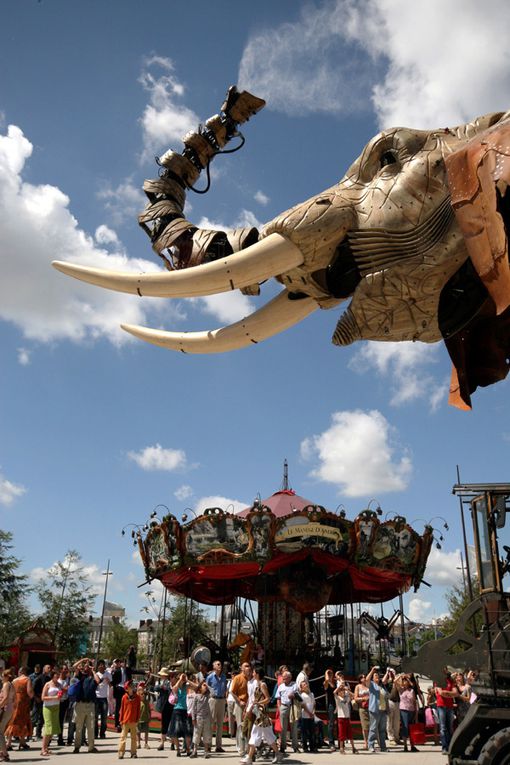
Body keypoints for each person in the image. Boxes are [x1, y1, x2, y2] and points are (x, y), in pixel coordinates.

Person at [242, 668, 281, 765]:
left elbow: (268, 699)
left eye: (254, 672)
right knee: (266, 736)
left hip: (262, 715)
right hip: (259, 715)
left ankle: (250, 758)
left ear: (258, 674)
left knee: (257, 734)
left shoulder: (262, 685)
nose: (253, 673)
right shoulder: (258, 684)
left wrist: (258, 702)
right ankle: (276, 754)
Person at [72, 658, 100, 754]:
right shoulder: (80, 676)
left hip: (90, 705)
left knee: (91, 727)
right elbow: (74, 666)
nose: (86, 666)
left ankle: (91, 747)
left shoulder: (93, 677)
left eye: (88, 665)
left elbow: (98, 680)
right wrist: (83, 660)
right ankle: (77, 747)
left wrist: (93, 671)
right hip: (80, 704)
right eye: (85, 665)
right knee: (79, 727)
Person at [5, 667, 33, 751]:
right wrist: (32, 696)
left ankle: (11, 742)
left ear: (20, 672)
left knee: (13, 721)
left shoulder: (14, 680)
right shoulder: (27, 679)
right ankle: (19, 742)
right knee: (23, 721)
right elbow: (29, 692)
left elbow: (11, 692)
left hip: (14, 702)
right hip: (23, 703)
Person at [168, 673, 196, 756]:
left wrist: (187, 680)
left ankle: (187, 749)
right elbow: (174, 689)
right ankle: (178, 750)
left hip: (185, 710)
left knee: (187, 732)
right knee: (175, 732)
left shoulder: (186, 687)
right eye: (180, 678)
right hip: (177, 710)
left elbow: (196, 686)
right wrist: (180, 679)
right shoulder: (176, 687)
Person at [366, 666, 390, 753]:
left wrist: (387, 672)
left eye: (378, 675)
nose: (377, 677)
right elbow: (367, 680)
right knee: (373, 728)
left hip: (383, 710)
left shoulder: (382, 686)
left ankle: (383, 747)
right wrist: (372, 670)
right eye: (375, 675)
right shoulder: (371, 684)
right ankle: (370, 746)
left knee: (382, 730)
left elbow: (386, 696)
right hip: (375, 710)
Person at [274, 670, 299, 753]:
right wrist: (279, 707)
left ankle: (295, 747)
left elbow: (298, 696)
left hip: (292, 707)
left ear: (290, 678)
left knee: (294, 727)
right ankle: (282, 747)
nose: (283, 680)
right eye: (283, 678)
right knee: (283, 728)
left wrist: (293, 695)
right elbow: (278, 698)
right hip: (283, 707)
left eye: (285, 678)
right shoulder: (280, 686)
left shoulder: (295, 685)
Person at [230, 662, 252, 756]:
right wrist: (239, 701)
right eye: (246, 666)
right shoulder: (237, 678)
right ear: (242, 668)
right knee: (240, 727)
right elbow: (232, 692)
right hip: (240, 705)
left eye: (249, 666)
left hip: (249, 705)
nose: (248, 668)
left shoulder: (251, 678)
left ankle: (248, 748)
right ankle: (241, 749)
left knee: (248, 727)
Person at [206, 660, 227, 753]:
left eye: (220, 664)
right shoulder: (210, 677)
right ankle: (209, 745)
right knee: (211, 723)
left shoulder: (224, 677)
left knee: (220, 724)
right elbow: (206, 688)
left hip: (222, 700)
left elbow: (225, 688)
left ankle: (218, 746)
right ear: (213, 666)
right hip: (213, 700)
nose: (220, 666)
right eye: (218, 664)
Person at [435, 671, 458, 755]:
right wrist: (450, 694)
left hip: (449, 706)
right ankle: (444, 747)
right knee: (443, 727)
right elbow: (441, 692)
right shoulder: (438, 681)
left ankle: (450, 746)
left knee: (450, 727)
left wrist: (447, 694)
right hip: (441, 706)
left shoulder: (451, 681)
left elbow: (456, 693)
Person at [40, 670, 62, 757]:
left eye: (58, 676)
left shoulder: (59, 684)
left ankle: (46, 748)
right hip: (47, 707)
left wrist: (60, 695)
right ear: (52, 676)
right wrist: (54, 697)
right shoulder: (47, 684)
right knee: (48, 727)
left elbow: (62, 692)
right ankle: (43, 749)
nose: (57, 678)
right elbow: (43, 697)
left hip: (56, 707)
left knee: (53, 728)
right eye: (56, 676)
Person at [153, 667, 175, 751]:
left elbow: (171, 690)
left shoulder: (170, 682)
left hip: (171, 705)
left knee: (171, 724)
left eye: (162, 674)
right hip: (164, 706)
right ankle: (162, 743)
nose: (161, 676)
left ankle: (172, 743)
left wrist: (165, 687)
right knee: (164, 725)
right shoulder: (160, 682)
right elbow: (155, 688)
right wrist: (161, 686)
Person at [334, 677, 358, 755]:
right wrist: (339, 687)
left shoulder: (347, 698)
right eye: (341, 692)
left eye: (343, 692)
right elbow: (334, 692)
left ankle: (353, 748)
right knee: (342, 734)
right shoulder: (338, 698)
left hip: (347, 718)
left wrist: (346, 689)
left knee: (350, 734)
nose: (342, 693)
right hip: (341, 718)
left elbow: (354, 695)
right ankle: (341, 748)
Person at [118, 681, 141, 760]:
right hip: (125, 720)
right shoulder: (124, 697)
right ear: (127, 689)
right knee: (123, 737)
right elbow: (122, 709)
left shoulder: (137, 697)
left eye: (132, 685)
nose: (132, 686)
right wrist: (120, 719)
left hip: (133, 721)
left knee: (133, 738)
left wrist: (137, 719)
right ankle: (121, 752)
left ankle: (133, 753)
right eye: (130, 686)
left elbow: (138, 709)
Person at [396, 674, 418, 753]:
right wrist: (401, 676)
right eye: (404, 681)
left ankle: (412, 745)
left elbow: (414, 702)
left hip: (411, 710)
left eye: (407, 682)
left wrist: (416, 713)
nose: (405, 683)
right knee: (405, 728)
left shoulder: (412, 690)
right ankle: (405, 746)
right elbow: (395, 682)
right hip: (403, 710)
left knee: (411, 729)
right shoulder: (401, 690)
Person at [190, 681, 212, 758]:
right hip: (198, 718)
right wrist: (193, 718)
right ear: (200, 688)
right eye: (203, 685)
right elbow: (193, 708)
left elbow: (214, 693)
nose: (205, 686)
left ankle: (206, 752)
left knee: (206, 734)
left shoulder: (207, 696)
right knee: (196, 734)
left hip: (206, 718)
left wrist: (208, 685)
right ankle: (194, 751)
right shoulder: (196, 696)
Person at [112, 660, 132, 733]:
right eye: (122, 663)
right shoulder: (117, 671)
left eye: (125, 663)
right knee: (118, 707)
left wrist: (145, 672)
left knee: (127, 706)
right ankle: (117, 723)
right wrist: (116, 686)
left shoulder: (128, 670)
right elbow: (113, 681)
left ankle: (126, 722)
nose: (124, 664)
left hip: (126, 689)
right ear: (120, 664)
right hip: (119, 689)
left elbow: (136, 671)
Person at [32, 665, 52, 740]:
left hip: (45, 700)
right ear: (44, 669)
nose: (50, 669)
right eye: (48, 668)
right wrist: (36, 698)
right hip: (38, 700)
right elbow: (33, 689)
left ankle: (38, 734)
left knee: (42, 718)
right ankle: (29, 734)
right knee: (34, 717)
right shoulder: (39, 678)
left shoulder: (49, 679)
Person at [0, 669, 15, 763]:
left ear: (5, 676)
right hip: (9, 709)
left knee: (0, 732)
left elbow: (5, 698)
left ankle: (5, 754)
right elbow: (14, 699)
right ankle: (2, 752)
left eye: (2, 676)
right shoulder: (12, 685)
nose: (1, 678)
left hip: (4, 710)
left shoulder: (6, 684)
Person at [94, 660, 111, 740]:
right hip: (96, 697)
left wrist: (108, 681)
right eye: (100, 665)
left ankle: (102, 733)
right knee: (95, 717)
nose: (101, 666)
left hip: (104, 698)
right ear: (98, 666)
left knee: (104, 718)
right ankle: (95, 733)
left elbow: (111, 685)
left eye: (103, 665)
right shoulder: (96, 674)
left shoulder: (108, 674)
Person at [353, 674, 370, 750]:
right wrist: (363, 698)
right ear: (359, 679)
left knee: (372, 726)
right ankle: (366, 742)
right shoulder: (358, 686)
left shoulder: (369, 686)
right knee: (365, 726)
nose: (364, 678)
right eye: (362, 677)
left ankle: (371, 742)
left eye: (364, 677)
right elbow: (355, 698)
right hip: (362, 708)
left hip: (371, 707)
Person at [299, 679, 316, 753]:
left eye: (306, 684)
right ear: (302, 688)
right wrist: (309, 713)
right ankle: (305, 747)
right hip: (305, 716)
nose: (306, 685)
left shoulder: (312, 694)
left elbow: (314, 704)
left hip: (311, 716)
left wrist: (313, 712)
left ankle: (312, 747)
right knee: (304, 733)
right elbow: (303, 706)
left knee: (312, 732)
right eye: (304, 685)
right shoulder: (302, 695)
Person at [323, 669, 337, 752]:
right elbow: (327, 686)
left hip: (338, 704)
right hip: (331, 705)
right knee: (331, 724)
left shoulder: (335, 682)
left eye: (331, 673)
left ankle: (340, 742)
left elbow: (334, 686)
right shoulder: (326, 683)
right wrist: (326, 676)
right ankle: (331, 743)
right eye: (329, 674)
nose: (330, 675)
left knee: (337, 723)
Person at [136, 683, 151, 750]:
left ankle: (146, 743)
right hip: (139, 719)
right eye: (142, 694)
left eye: (144, 694)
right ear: (139, 695)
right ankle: (138, 743)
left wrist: (150, 717)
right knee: (138, 732)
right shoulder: (137, 702)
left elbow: (149, 710)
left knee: (146, 732)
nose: (143, 695)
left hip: (146, 719)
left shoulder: (147, 702)